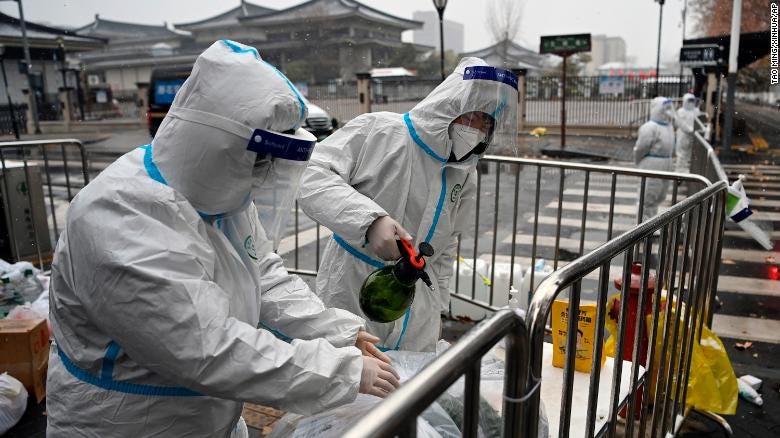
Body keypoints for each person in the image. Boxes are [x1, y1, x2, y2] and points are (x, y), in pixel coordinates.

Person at [45, 40, 399, 438]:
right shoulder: (118, 218)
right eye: (260, 158)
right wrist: (340, 371)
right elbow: (205, 348)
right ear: (216, 144)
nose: (263, 174)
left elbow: (262, 272)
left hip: (208, 415)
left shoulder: (220, 191)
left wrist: (332, 329)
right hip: (125, 423)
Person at [298, 58, 518, 352]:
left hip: (418, 304)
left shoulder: (464, 172)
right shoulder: (380, 131)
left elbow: (446, 243)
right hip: (353, 286)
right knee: (350, 378)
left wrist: (439, 306)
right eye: (471, 117)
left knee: (410, 388)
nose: (476, 128)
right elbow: (311, 174)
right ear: (448, 105)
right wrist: (369, 222)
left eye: (486, 122)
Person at [633, 96, 675, 223]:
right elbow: (641, 148)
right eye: (665, 108)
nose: (668, 110)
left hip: (666, 164)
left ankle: (650, 224)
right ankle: (642, 226)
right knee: (648, 196)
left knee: (659, 195)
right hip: (652, 165)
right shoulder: (650, 127)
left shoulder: (669, 126)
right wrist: (639, 161)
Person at [674, 93, 700, 174]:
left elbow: (699, 123)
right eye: (689, 101)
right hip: (683, 135)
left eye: (692, 101)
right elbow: (680, 124)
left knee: (690, 154)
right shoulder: (680, 112)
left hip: (692, 136)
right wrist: (691, 130)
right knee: (681, 154)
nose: (691, 103)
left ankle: (687, 172)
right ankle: (679, 173)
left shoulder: (696, 111)